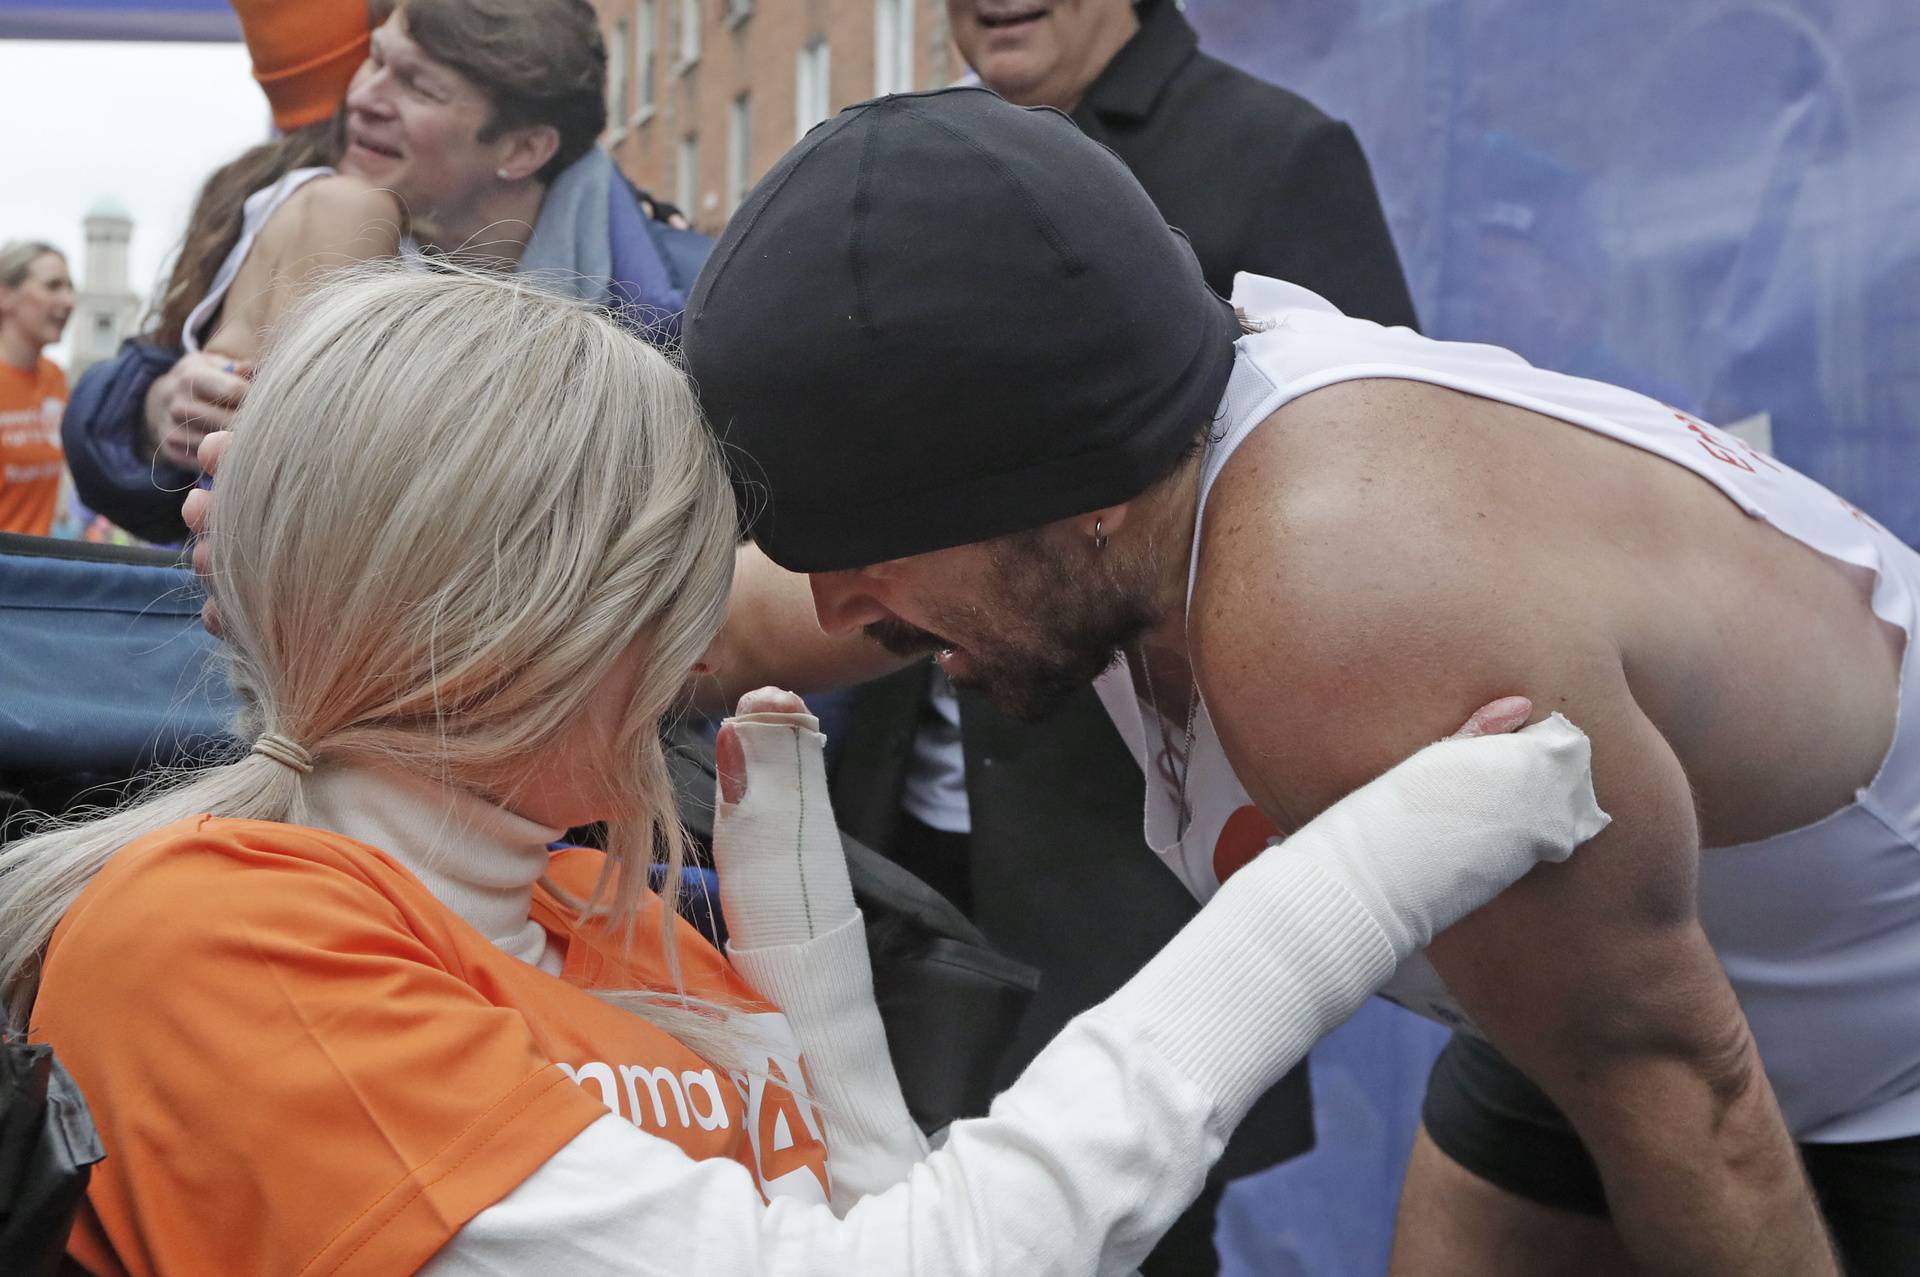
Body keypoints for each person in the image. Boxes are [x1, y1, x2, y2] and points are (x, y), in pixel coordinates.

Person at [4, 265, 1604, 1275]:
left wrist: (829, 1058)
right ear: (520, 632)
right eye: (671, 591)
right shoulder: (220, 946)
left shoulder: (592, 908)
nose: (708, 641)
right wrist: (1353, 885)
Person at [677, 88, 1920, 1274]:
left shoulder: (1348, 595)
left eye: (877, 553)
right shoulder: (1106, 465)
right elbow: (739, 624)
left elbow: (1685, 1091)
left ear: (1085, 496)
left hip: (1858, 1056)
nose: (843, 607)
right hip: (1609, 996)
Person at [834, 8, 1418, 1265]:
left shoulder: (1271, 152)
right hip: (904, 841)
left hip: (1129, 870)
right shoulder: (924, 161)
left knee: (1125, 1239)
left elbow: (1370, 493)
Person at [61, 0, 702, 545]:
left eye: (418, 87)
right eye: (374, 59)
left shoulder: (687, 305)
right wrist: (159, 412)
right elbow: (206, 499)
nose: (364, 98)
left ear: (523, 148)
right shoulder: (312, 207)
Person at [0, 242, 74, 538]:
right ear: (5, 296)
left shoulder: (55, 378)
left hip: (31, 573)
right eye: (52, 286)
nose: (68, 300)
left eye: (70, 288)